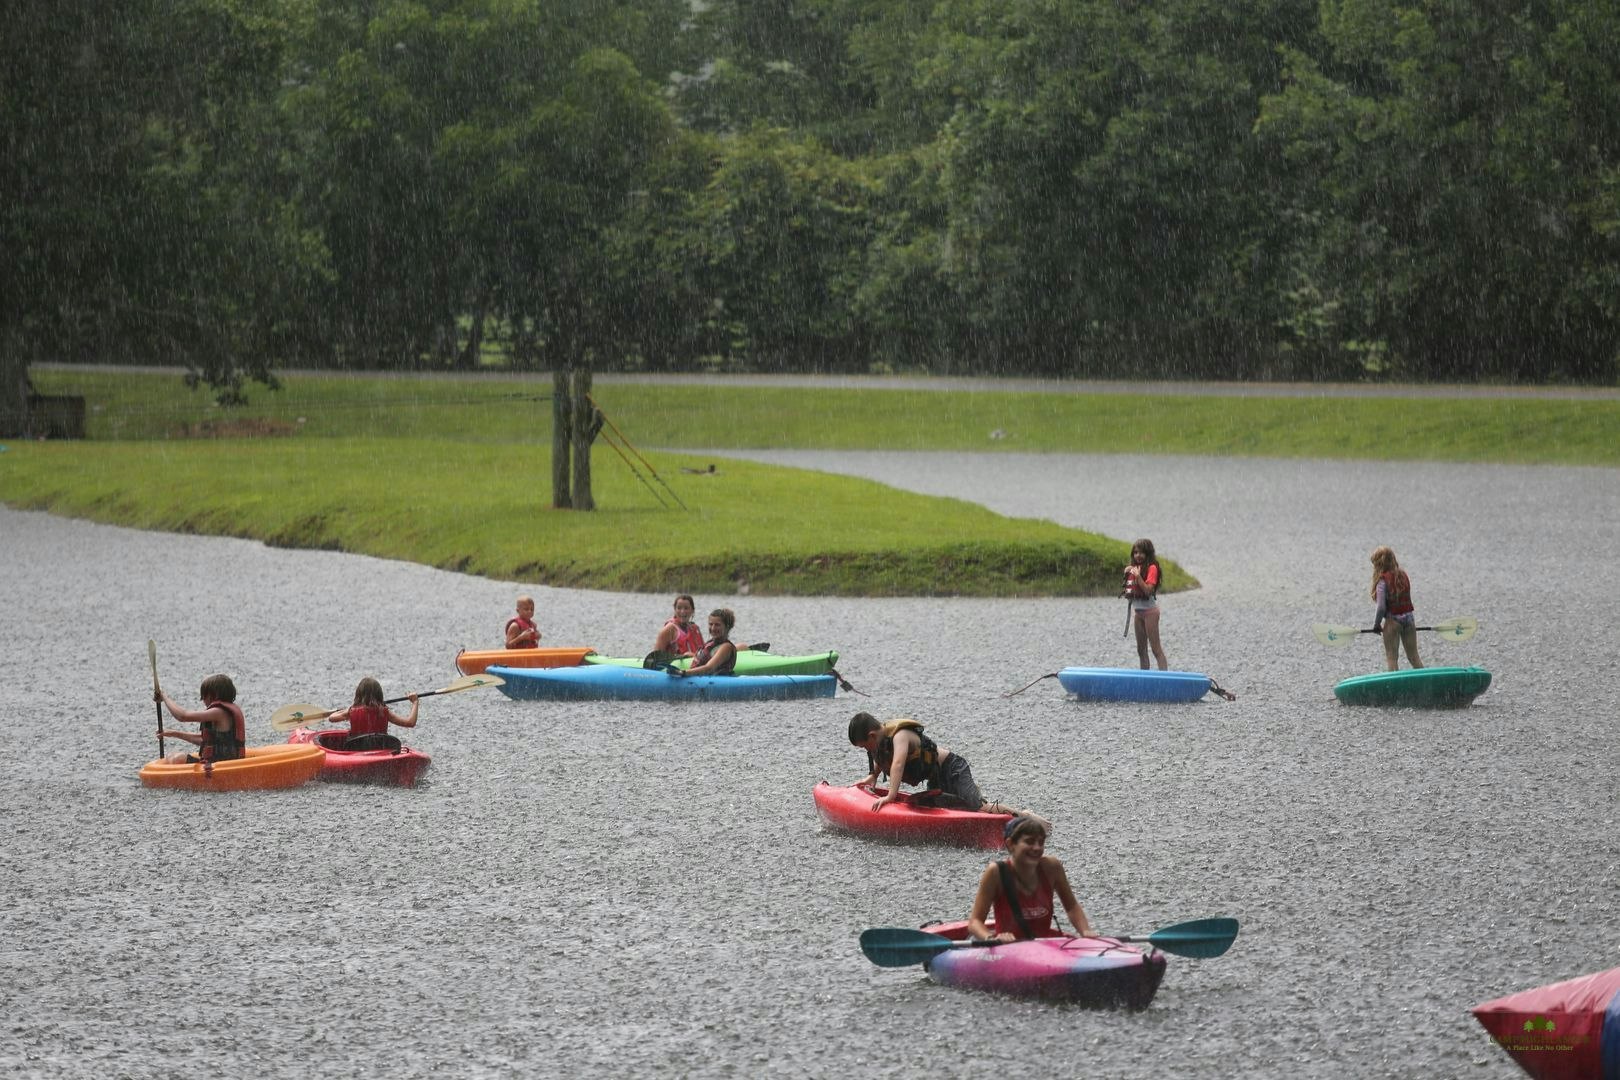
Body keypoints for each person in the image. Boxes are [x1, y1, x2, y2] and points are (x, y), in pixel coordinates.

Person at [847, 712, 1027, 816]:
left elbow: (898, 763)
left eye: (864, 746)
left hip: (952, 768)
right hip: (936, 776)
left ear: (871, 735)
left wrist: (890, 796)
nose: (866, 750)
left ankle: (1024, 817)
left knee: (980, 808)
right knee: (945, 809)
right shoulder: (881, 743)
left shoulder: (899, 736)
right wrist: (873, 776)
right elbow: (884, 758)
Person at [967, 816, 1096, 941]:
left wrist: (1085, 931)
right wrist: (990, 938)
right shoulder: (996, 872)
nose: (1037, 848)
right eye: (1029, 841)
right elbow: (975, 922)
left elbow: (1071, 907)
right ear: (1010, 844)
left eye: (1041, 842)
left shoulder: (1052, 867)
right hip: (1008, 948)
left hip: (1043, 946)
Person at [155, 674, 246, 765]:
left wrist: (164, 697)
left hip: (221, 767)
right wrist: (173, 733)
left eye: (204, 697)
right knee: (171, 756)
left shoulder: (219, 712)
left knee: (177, 759)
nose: (203, 701)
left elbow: (183, 716)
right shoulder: (223, 712)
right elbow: (205, 741)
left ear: (213, 695)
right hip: (220, 764)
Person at [325, 677, 418, 751]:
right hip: (380, 749)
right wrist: (415, 702)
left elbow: (331, 718)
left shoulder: (351, 711)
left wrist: (347, 709)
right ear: (379, 695)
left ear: (358, 695)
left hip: (356, 750)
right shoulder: (385, 712)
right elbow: (410, 723)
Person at [1370, 546, 1423, 671]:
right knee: (1414, 657)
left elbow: (1381, 607)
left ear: (1379, 564)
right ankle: (1427, 683)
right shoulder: (1403, 576)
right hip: (1409, 619)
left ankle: (1393, 689)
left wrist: (1376, 625)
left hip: (1393, 621)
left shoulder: (1382, 581)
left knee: (1392, 658)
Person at [1124, 538, 1168, 670]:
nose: (1138, 555)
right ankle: (1144, 677)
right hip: (1138, 613)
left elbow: (1148, 591)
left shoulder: (1152, 568)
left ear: (1148, 554)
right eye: (1136, 552)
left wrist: (1138, 577)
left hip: (1150, 613)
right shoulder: (1134, 568)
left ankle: (1164, 678)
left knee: (1156, 649)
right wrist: (1128, 574)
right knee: (1141, 650)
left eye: (1142, 553)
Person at [674, 608, 738, 676]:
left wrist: (683, 672)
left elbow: (709, 668)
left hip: (714, 682)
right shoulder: (711, 643)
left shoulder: (726, 647)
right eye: (711, 624)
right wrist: (691, 655)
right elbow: (708, 657)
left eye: (717, 625)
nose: (713, 628)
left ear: (727, 627)